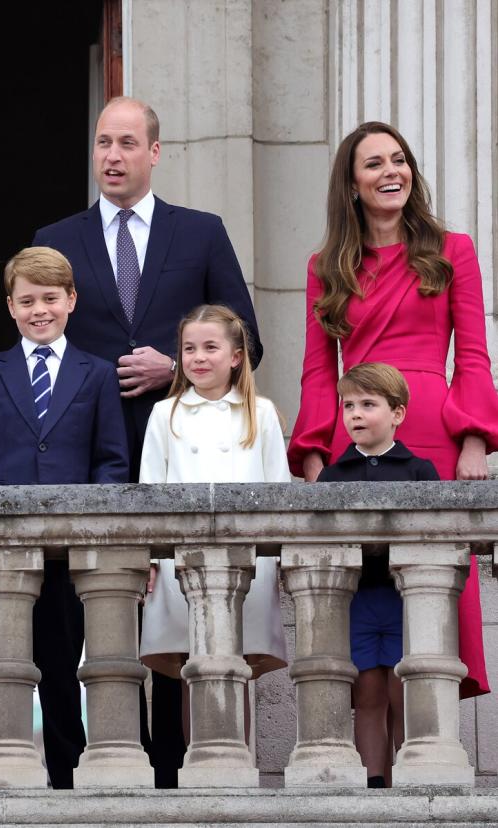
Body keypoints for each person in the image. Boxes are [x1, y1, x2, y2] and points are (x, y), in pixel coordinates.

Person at [32, 95, 262, 785]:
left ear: (154, 153)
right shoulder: (58, 237)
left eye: (128, 143)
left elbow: (250, 341)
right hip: (76, 452)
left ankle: (168, 766)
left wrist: (176, 367)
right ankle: (71, 765)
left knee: (169, 605)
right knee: (67, 608)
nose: (112, 156)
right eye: (104, 142)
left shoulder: (200, 233)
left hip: (179, 446)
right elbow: (36, 339)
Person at [287, 120, 495, 699]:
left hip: (433, 430)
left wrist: (475, 439)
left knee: (436, 581)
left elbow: (474, 354)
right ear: (352, 185)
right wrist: (312, 453)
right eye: (374, 164)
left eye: (398, 160)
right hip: (353, 442)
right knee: (361, 596)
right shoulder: (325, 265)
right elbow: (317, 369)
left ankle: (430, 739)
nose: (390, 172)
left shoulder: (453, 251)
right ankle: (372, 764)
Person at [0, 246, 127, 788]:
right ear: (10, 307)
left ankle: (68, 783)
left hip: (72, 554)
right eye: (27, 300)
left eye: (50, 298)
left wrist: (92, 533)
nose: (39, 310)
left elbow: (112, 461)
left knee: (62, 669)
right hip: (6, 552)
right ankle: (6, 775)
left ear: (71, 300)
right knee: (3, 669)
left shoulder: (96, 375)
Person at [138, 304, 289, 740]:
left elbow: (278, 491)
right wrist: (151, 558)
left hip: (248, 561)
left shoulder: (260, 413)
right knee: (194, 667)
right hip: (181, 563)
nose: (198, 358)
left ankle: (237, 761)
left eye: (210, 347)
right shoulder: (164, 415)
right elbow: (150, 490)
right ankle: (199, 764)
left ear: (236, 356)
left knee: (234, 664)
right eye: (189, 348)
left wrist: (276, 560)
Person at [316, 362, 439, 788]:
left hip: (407, 601)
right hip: (358, 601)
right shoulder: (333, 475)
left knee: (402, 693)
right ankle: (374, 781)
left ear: (397, 413)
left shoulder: (419, 471)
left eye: (368, 404)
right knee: (367, 694)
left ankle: (408, 777)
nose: (355, 414)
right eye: (348, 405)